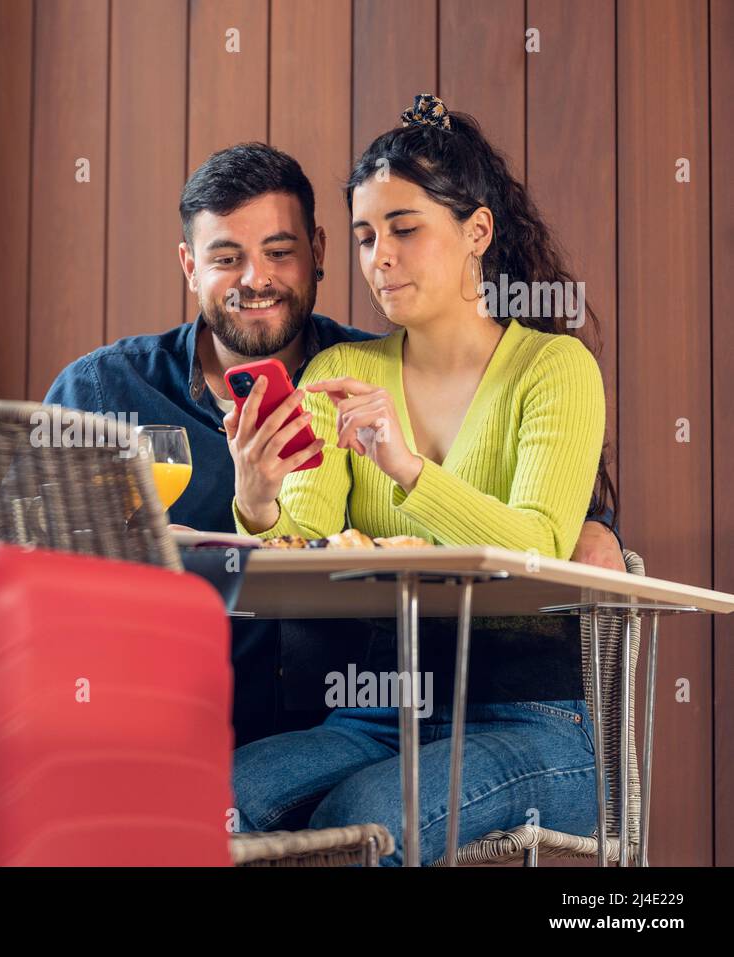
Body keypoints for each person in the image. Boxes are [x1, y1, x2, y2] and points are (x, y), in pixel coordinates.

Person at [44, 138, 622, 749]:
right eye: (226, 258)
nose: (256, 278)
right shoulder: (104, 390)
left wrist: (598, 524)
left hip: (318, 720)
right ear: (190, 267)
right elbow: (24, 547)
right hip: (142, 714)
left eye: (278, 252)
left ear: (317, 253)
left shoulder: (351, 374)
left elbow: (535, 518)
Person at [228, 94, 609, 864]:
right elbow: (308, 540)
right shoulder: (338, 371)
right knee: (209, 798)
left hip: (529, 716)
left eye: (405, 229)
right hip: (373, 711)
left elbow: (539, 544)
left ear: (477, 232)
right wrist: (258, 500)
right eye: (367, 236)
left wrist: (406, 468)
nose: (380, 258)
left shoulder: (553, 369)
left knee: (363, 817)